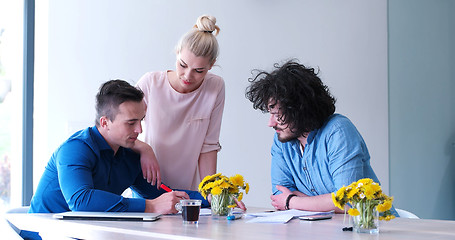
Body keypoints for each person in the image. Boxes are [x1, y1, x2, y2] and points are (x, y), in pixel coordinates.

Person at [29, 80, 206, 215]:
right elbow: (81, 201)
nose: (139, 130)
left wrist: (214, 198)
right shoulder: (74, 149)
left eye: (141, 120)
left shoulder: (129, 156)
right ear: (105, 122)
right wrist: (150, 206)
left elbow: (161, 194)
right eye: (131, 123)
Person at [245, 60, 395, 214]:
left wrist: (293, 201)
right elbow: (279, 196)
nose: (271, 123)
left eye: (277, 115)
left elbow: (349, 201)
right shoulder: (281, 141)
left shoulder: (338, 132)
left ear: (300, 109)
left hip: (374, 229)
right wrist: (327, 201)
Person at [134, 15, 224, 191]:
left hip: (188, 189)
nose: (188, 76)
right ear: (177, 53)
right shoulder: (151, 83)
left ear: (211, 65)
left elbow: (209, 146)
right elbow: (122, 128)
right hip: (146, 185)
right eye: (182, 65)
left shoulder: (215, 87)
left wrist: (213, 193)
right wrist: (143, 148)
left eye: (199, 70)